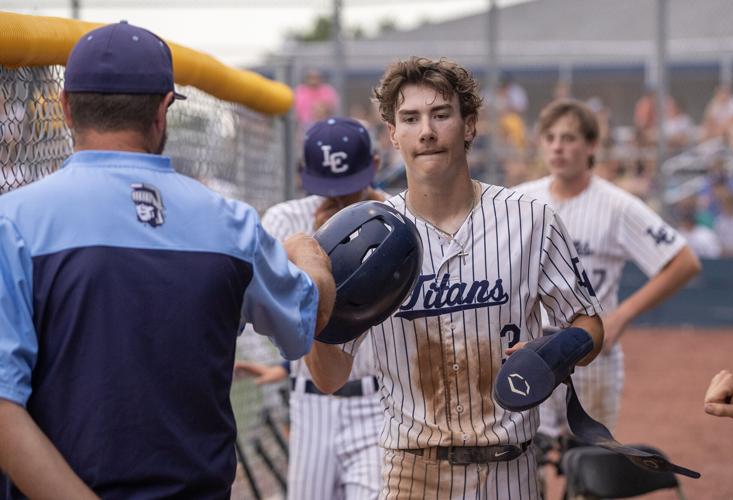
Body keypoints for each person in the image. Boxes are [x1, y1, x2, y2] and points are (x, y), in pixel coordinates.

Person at [0, 22, 335, 499]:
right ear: (162, 111)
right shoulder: (232, 223)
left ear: (66, 106)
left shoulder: (13, 220)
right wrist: (309, 255)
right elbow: (305, 321)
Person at [303, 57, 604, 498]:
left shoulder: (531, 218)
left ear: (469, 125)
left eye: (441, 114)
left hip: (512, 471)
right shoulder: (365, 237)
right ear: (392, 134)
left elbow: (590, 325)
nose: (426, 131)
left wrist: (556, 349)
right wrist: (316, 302)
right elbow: (328, 378)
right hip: (413, 473)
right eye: (410, 118)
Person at [514, 99, 701, 436]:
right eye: (551, 138)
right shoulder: (519, 200)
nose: (558, 147)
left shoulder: (617, 205)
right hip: (531, 350)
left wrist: (622, 315)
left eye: (569, 138)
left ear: (591, 145)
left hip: (591, 353)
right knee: (526, 462)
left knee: (589, 467)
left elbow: (684, 261)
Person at [235, 117, 386, 500]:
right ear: (304, 176)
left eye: (349, 188)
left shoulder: (393, 222)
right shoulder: (286, 218)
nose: (338, 199)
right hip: (310, 405)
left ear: (376, 166)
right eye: (327, 189)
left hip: (378, 402)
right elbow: (273, 309)